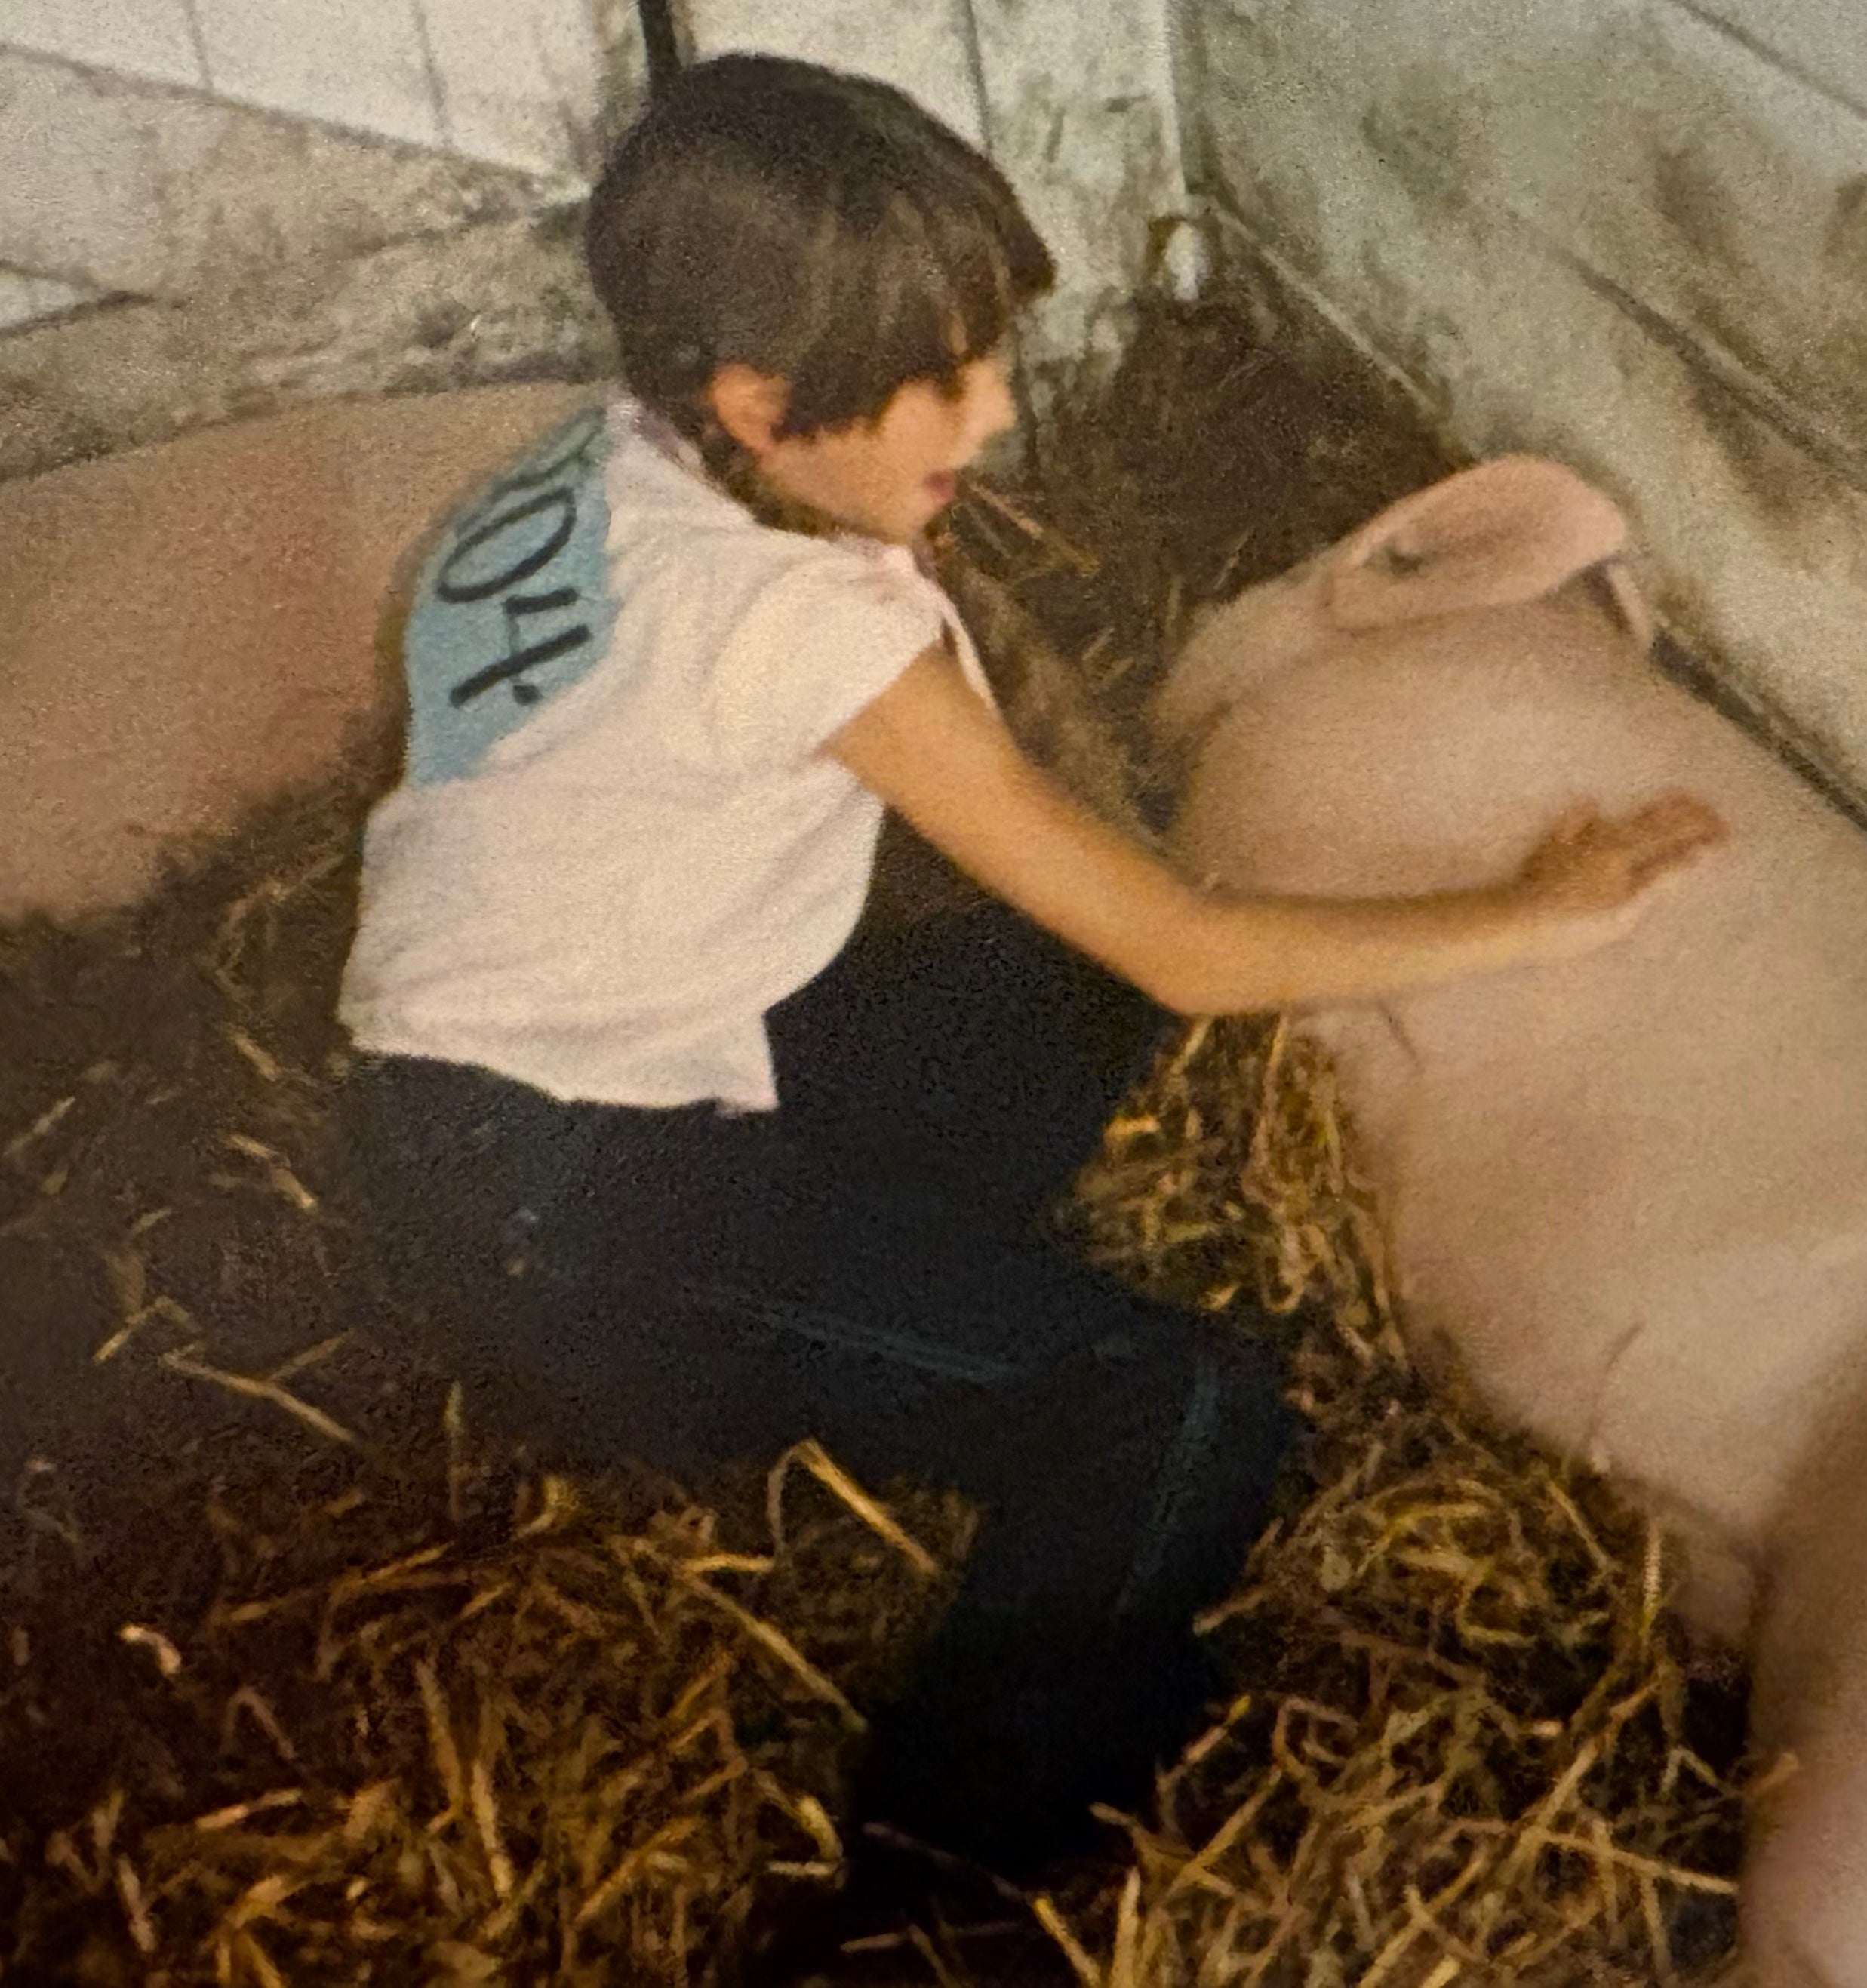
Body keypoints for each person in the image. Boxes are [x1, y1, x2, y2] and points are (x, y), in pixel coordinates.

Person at [328, 52, 1724, 1876]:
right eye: (939, 382)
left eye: (992, 358)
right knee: (1182, 1407)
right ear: (755, 399)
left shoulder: (602, 458)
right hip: (560, 1231)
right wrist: (1552, 907)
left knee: (1071, 969)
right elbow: (1196, 950)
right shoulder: (806, 624)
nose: (989, 421)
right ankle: (940, 1870)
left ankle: (901, 1308)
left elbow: (1093, 911)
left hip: (541, 1084)